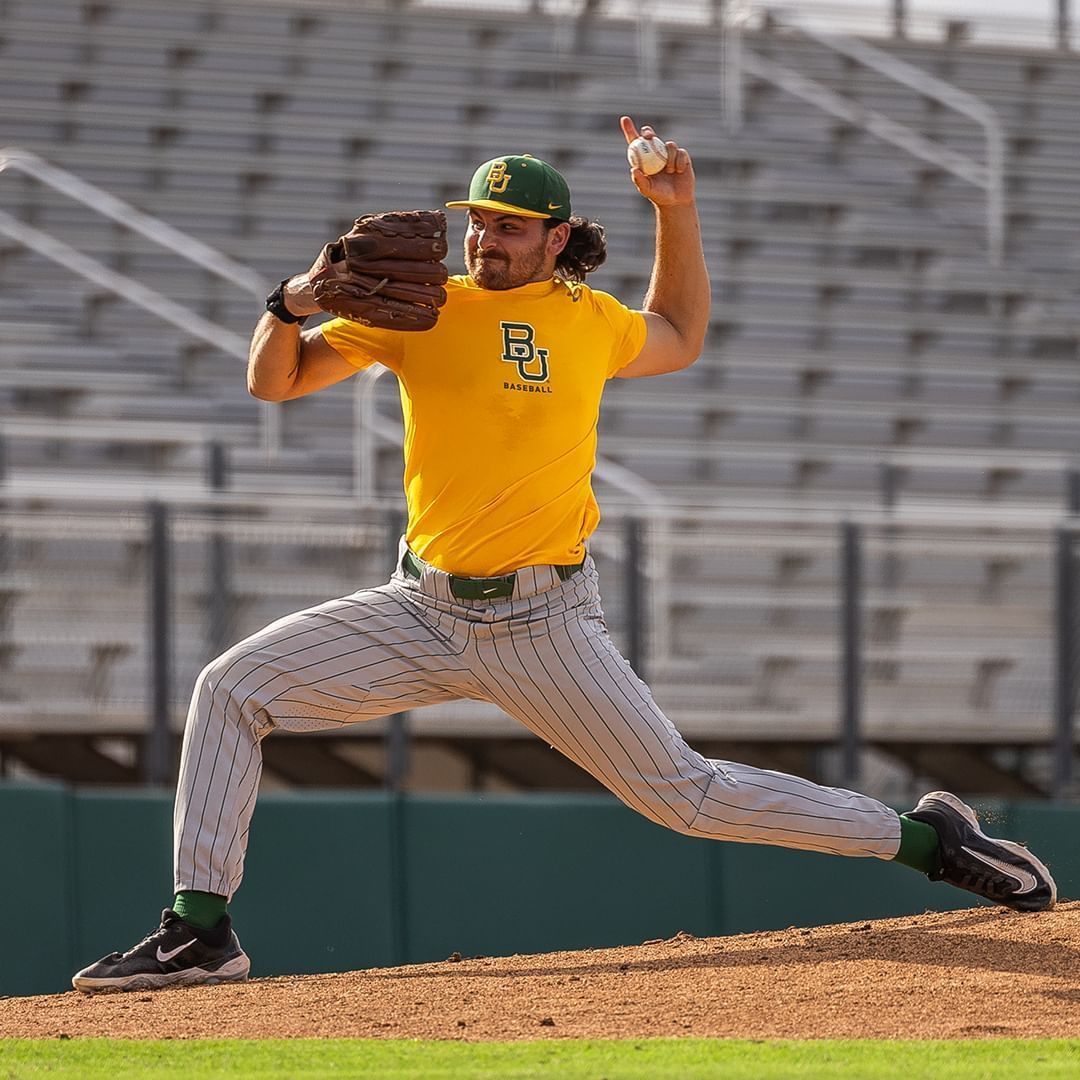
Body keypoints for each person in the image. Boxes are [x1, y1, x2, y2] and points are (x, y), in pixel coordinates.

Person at [72, 117, 1056, 993]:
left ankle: (931, 841)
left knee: (688, 798)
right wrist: (287, 302)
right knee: (231, 689)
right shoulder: (422, 310)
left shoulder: (589, 320)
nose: (484, 237)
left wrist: (678, 209)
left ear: (555, 237)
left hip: (542, 622)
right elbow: (275, 384)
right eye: (477, 220)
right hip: (420, 607)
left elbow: (677, 331)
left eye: (506, 223)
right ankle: (199, 932)